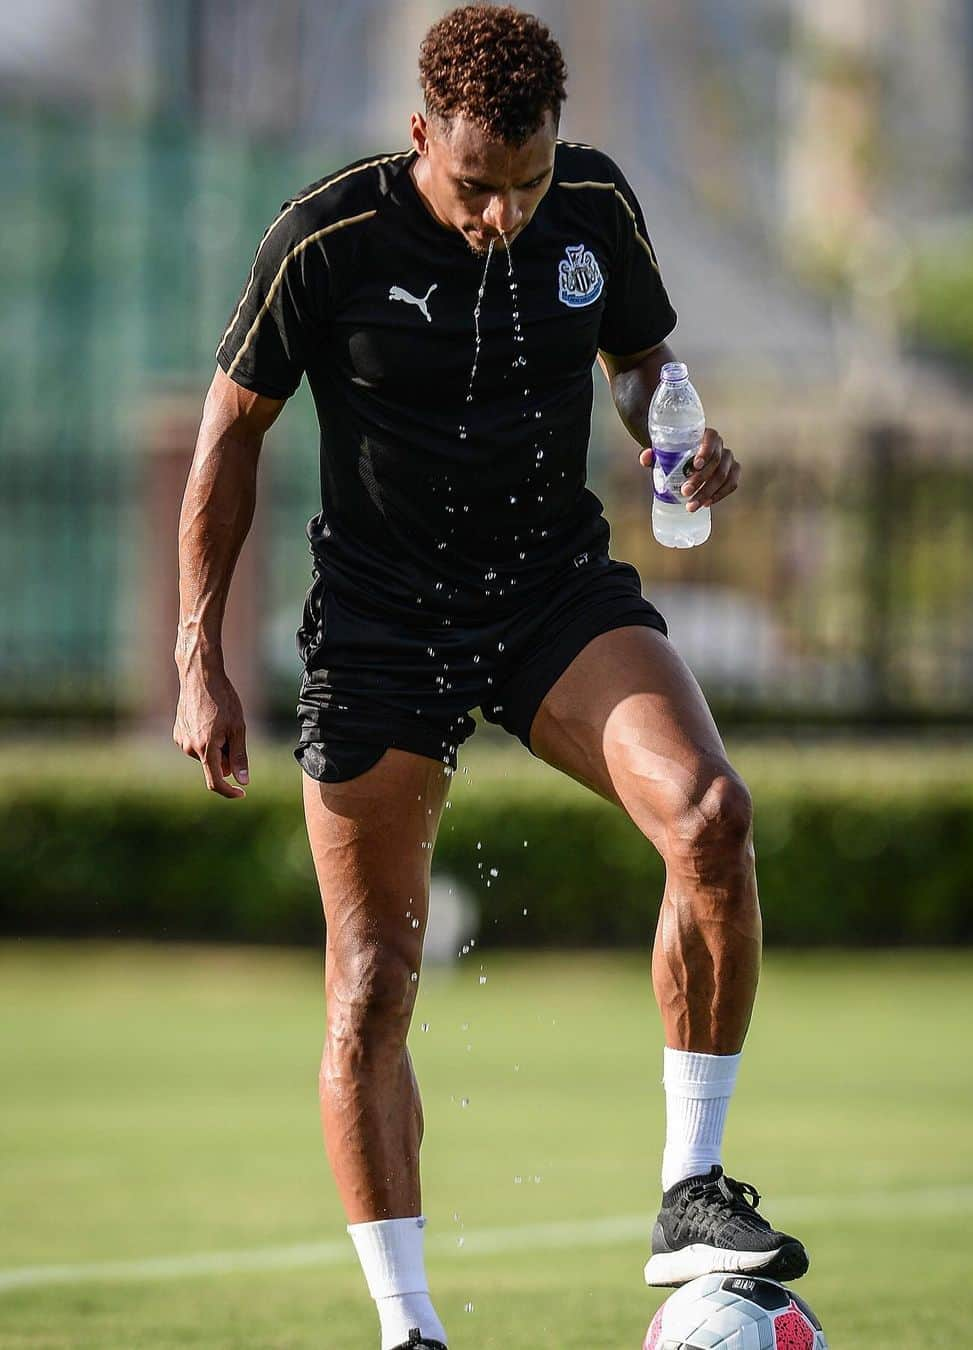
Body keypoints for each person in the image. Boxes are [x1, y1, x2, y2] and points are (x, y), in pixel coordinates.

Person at [173, 5, 808, 1347]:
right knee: (371, 982)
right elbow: (227, 440)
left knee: (712, 818)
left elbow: (642, 366)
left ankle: (689, 1188)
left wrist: (673, 432)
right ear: (421, 138)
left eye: (527, 182)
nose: (506, 216)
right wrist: (199, 655)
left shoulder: (590, 207)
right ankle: (410, 1329)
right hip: (380, 622)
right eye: (476, 187)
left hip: (547, 594)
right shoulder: (327, 237)